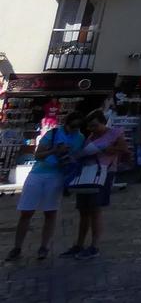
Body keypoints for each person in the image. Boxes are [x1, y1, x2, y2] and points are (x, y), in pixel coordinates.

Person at [6, 111, 86, 261]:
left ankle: (44, 247)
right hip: (39, 173)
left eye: (78, 127)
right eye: (72, 126)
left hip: (57, 175)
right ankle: (17, 247)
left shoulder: (80, 138)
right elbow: (38, 155)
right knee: (26, 212)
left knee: (50, 212)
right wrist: (55, 150)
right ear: (67, 124)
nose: (74, 129)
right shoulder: (54, 133)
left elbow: (78, 157)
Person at [63, 110, 131, 259]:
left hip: (103, 173)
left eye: (95, 125)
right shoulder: (91, 137)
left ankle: (94, 246)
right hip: (87, 173)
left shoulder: (115, 133)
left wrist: (106, 149)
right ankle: (79, 244)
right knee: (83, 211)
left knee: (95, 210)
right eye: (90, 127)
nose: (92, 129)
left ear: (103, 122)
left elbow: (124, 149)